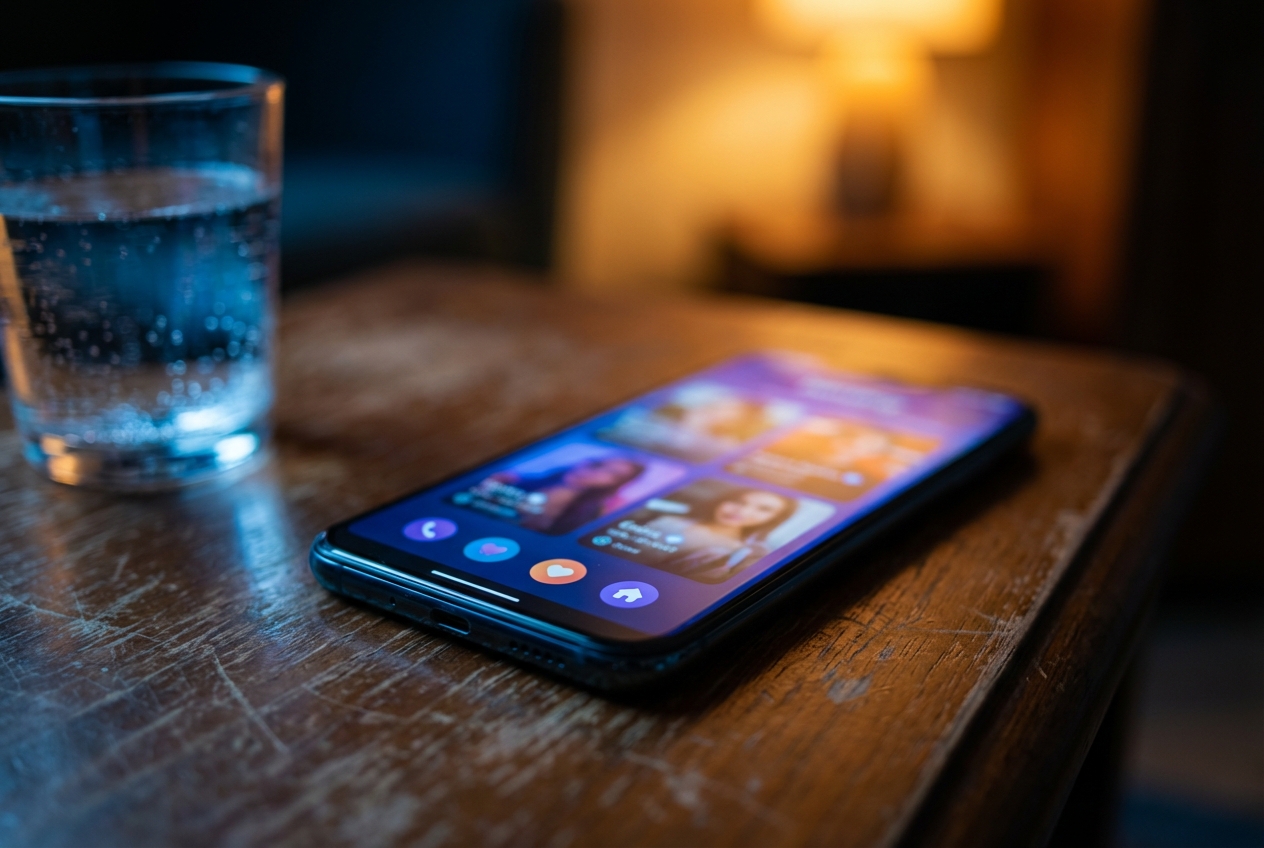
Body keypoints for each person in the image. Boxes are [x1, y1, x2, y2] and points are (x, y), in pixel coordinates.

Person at [647, 488, 796, 583]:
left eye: (764, 509)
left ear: (775, 519)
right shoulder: (667, 521)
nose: (742, 511)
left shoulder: (742, 556)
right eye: (739, 501)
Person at [486, 455, 645, 534]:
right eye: (598, 464)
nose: (594, 472)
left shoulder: (593, 515)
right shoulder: (510, 480)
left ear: (615, 484)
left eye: (612, 473)